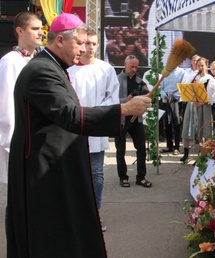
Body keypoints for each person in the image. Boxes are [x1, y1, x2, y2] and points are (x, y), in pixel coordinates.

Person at [6, 13, 151, 257]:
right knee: (51, 235)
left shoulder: (54, 66)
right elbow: (70, 115)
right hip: (45, 172)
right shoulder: (43, 70)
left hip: (56, 166)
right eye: (80, 43)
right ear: (60, 40)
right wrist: (124, 110)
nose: (85, 50)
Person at [67, 29, 120, 232]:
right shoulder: (69, 69)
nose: (90, 47)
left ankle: (94, 214)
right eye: (86, 43)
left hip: (96, 129)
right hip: (73, 129)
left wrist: (96, 113)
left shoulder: (105, 69)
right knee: (74, 174)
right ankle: (74, 214)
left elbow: (113, 97)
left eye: (94, 44)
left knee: (96, 173)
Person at [0, 11, 42, 185]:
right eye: (35, 28)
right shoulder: (10, 62)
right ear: (20, 31)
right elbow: (6, 108)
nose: (41, 32)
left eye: (41, 28)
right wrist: (13, 145)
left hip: (35, 139)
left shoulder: (38, 60)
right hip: (20, 143)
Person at [115, 55, 152, 188]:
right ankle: (123, 177)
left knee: (141, 149)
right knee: (120, 150)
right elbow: (110, 101)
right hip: (121, 120)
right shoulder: (116, 80)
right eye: (132, 66)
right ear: (124, 64)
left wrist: (146, 97)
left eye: (136, 67)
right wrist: (126, 100)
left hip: (136, 119)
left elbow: (147, 99)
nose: (134, 69)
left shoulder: (140, 82)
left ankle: (141, 177)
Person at [181, 57, 215, 163]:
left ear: (206, 66)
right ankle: (186, 154)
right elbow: (187, 90)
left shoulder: (210, 79)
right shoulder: (193, 77)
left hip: (204, 106)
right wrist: (192, 98)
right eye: (198, 65)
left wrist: (204, 101)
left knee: (204, 129)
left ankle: (203, 155)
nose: (200, 67)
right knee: (188, 128)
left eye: (202, 65)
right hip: (192, 105)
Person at [159, 66, 186, 155]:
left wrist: (174, 96)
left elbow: (183, 87)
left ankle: (177, 146)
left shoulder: (182, 72)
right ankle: (169, 145)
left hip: (176, 101)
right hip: (166, 100)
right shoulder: (165, 71)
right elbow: (160, 86)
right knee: (167, 122)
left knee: (176, 122)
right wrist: (164, 94)